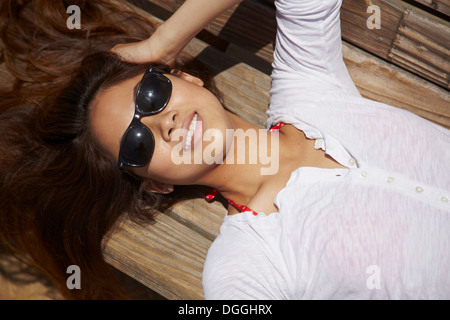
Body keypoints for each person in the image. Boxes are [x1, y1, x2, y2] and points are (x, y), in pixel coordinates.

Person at [0, 0, 448, 300]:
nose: (162, 121)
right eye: (138, 142)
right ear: (155, 183)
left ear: (185, 77)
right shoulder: (248, 261)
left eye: (151, 94)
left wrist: (163, 41)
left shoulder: (309, 87)